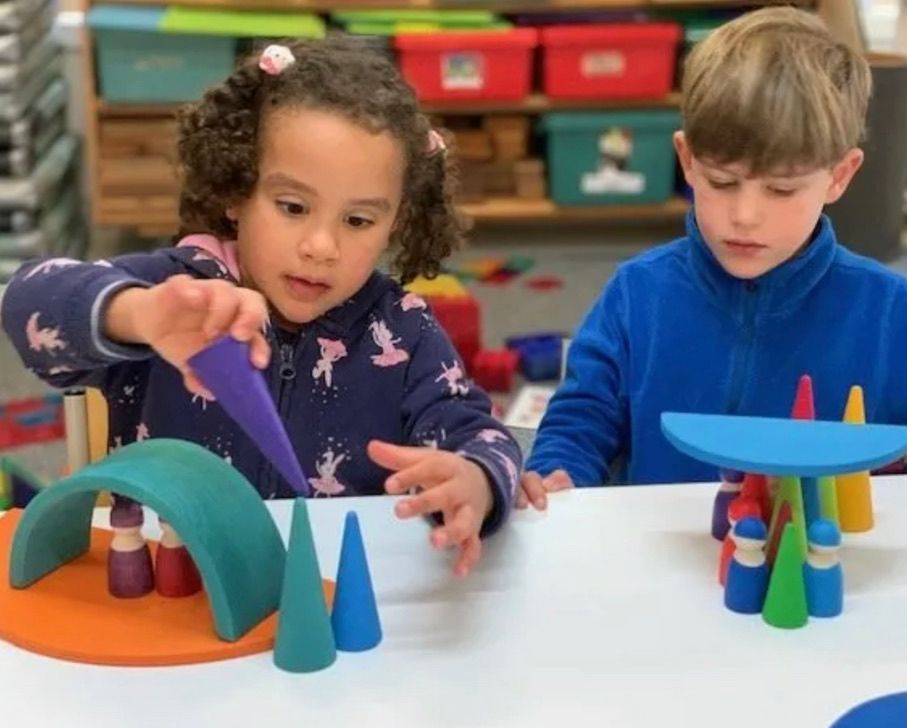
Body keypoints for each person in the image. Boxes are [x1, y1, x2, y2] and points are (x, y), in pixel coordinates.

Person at [2, 37, 522, 577]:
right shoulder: (177, 293)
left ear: (396, 222)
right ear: (237, 190)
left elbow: (481, 434)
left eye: (359, 220)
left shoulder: (404, 329)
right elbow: (26, 302)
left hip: (329, 601)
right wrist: (138, 316)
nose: (322, 246)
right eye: (293, 207)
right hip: (172, 594)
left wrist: (477, 481)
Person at [519, 7, 907, 509]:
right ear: (687, 160)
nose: (745, 215)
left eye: (781, 189)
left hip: (818, 565)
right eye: (721, 181)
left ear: (840, 176)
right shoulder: (637, 293)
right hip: (665, 558)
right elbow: (582, 417)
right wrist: (559, 475)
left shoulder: (885, 308)